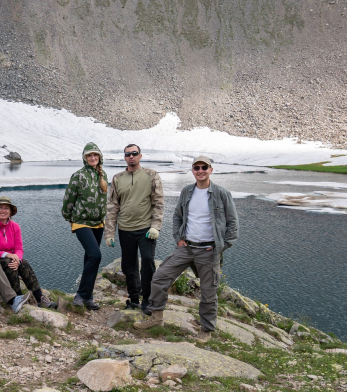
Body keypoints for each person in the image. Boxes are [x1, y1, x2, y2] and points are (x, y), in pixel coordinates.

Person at [135, 156, 238, 342]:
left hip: (209, 250)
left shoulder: (222, 194)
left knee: (208, 292)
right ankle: (157, 318)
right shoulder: (187, 191)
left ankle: (206, 330)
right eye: (197, 168)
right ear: (192, 171)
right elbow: (177, 217)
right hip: (186, 247)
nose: (200, 171)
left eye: (204, 167)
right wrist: (178, 239)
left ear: (210, 170)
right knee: (159, 277)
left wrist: (220, 247)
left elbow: (233, 225)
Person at [105, 144, 164, 311]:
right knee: (129, 266)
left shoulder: (151, 175)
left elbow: (158, 202)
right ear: (124, 157)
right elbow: (112, 207)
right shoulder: (117, 178)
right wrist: (109, 233)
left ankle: (148, 300)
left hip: (146, 229)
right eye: (128, 154)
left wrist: (156, 226)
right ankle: (133, 299)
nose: (131, 156)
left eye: (134, 153)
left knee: (147, 261)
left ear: (140, 156)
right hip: (125, 229)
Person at [0, 196, 57, 312]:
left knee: (24, 263)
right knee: (10, 262)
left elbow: (19, 249)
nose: (3, 211)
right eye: (0, 207)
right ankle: (18, 297)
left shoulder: (15, 227)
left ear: (11, 211)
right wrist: (6, 254)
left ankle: (40, 298)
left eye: (6, 208)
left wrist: (18, 260)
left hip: (10, 260)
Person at [61, 142, 108, 311]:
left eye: (95, 155)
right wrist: (69, 218)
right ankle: (80, 294)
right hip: (81, 222)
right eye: (89, 155)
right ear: (85, 158)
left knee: (90, 258)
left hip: (98, 223)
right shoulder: (78, 176)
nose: (92, 158)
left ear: (99, 157)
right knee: (96, 255)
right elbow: (69, 199)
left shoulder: (104, 176)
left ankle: (88, 297)